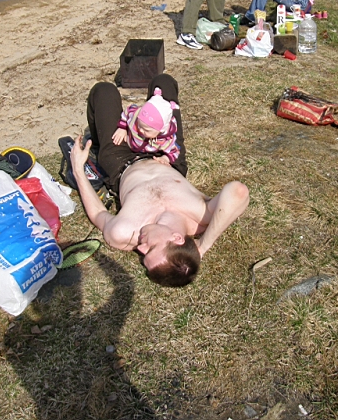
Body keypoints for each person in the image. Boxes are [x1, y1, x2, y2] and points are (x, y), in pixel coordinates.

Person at [69, 74, 250, 288]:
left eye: (143, 256)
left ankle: (105, 134)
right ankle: (146, 117)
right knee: (163, 82)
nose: (140, 248)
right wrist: (202, 246)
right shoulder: (201, 217)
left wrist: (78, 170)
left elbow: (99, 214)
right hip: (165, 154)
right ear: (177, 238)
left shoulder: (126, 232)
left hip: (121, 162)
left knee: (104, 91)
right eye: (151, 249)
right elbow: (238, 192)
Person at [112, 86, 180, 165]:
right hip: (130, 142)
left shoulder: (166, 140)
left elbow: (175, 151)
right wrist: (122, 127)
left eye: (146, 130)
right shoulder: (135, 115)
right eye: (139, 125)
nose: (141, 130)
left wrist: (165, 158)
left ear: (161, 130)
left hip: (150, 154)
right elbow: (128, 111)